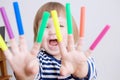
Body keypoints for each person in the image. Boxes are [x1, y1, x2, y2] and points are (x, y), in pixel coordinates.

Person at [1, 1, 97, 80]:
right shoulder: (38, 60)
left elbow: (91, 73)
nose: (52, 31)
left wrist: (81, 69)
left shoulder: (79, 56)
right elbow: (33, 75)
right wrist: (24, 75)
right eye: (45, 26)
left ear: (71, 33)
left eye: (60, 25)